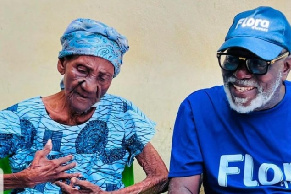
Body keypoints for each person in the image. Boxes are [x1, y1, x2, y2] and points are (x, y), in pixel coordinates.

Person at [0, 18, 168, 193]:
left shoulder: (121, 112)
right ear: (62, 64)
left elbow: (161, 178)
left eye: (103, 78)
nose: (89, 86)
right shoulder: (19, 118)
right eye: (82, 70)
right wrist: (23, 179)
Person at [168, 6, 291, 193]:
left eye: (257, 63)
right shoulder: (198, 108)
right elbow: (183, 187)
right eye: (231, 59)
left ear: (286, 67)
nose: (239, 73)